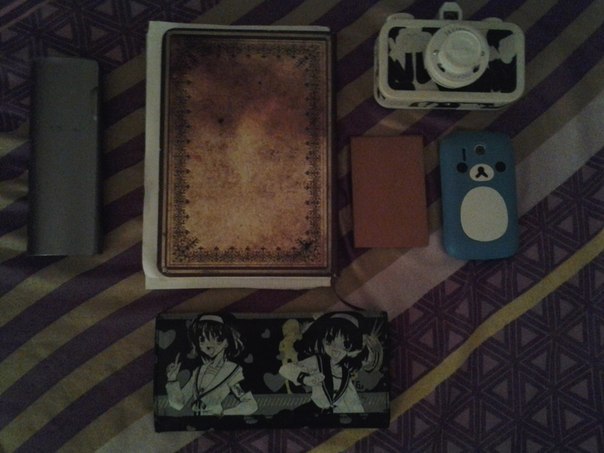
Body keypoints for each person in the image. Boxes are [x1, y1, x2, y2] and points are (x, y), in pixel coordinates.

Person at [279, 312, 382, 414]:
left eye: (345, 344)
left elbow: (353, 404)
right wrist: (305, 378)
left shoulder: (346, 374)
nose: (334, 348)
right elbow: (285, 369)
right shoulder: (318, 361)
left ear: (353, 351)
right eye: (329, 340)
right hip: (312, 412)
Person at [165, 314, 257, 416]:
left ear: (227, 342)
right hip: (196, 421)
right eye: (202, 339)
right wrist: (172, 380)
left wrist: (224, 414)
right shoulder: (199, 371)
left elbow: (251, 404)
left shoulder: (232, 370)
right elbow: (178, 404)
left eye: (218, 339)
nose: (209, 345)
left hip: (216, 422)